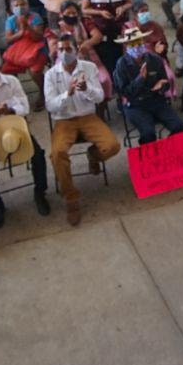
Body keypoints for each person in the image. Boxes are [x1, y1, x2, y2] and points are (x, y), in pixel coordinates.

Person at [43, 34, 121, 227]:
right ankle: (71, 198)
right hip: (64, 120)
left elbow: (99, 97)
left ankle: (93, 156)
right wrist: (66, 94)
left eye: (68, 49)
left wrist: (86, 89)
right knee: (57, 153)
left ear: (76, 49)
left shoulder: (89, 68)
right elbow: (51, 106)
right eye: (60, 49)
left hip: (88, 117)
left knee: (112, 146)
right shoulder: (51, 75)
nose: (64, 53)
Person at [0, 52, 50, 228]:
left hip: (15, 129)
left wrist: (10, 111)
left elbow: (24, 106)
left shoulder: (11, 82)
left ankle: (40, 193)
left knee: (38, 155)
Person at [112, 27, 183, 145]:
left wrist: (161, 87)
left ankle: (168, 150)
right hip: (135, 105)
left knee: (178, 125)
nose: (136, 46)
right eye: (132, 44)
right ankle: (150, 159)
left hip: (156, 101)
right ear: (126, 46)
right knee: (148, 133)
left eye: (139, 42)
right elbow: (124, 92)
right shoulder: (122, 64)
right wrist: (140, 79)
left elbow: (165, 83)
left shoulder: (155, 59)